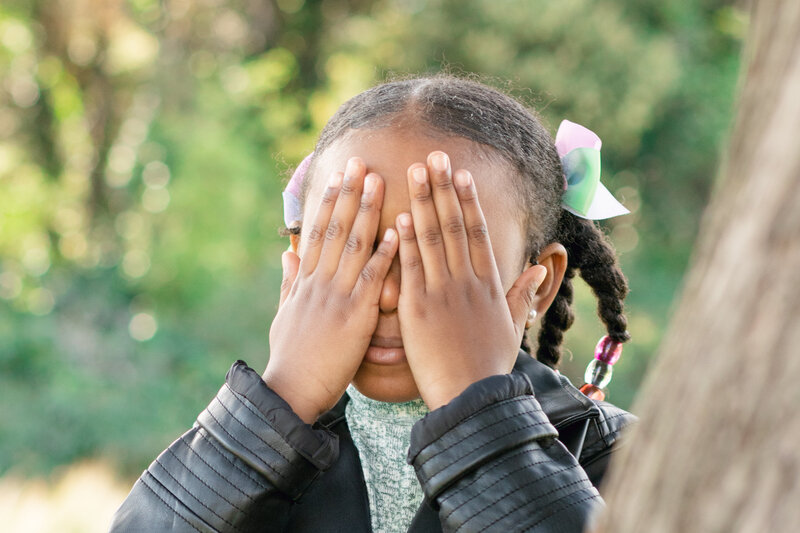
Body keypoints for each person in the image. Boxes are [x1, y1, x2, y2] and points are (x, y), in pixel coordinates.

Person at [109, 76, 637, 533]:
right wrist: (283, 395)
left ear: (538, 285)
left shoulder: (627, 456)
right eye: (351, 249)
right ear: (298, 263)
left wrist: (478, 409)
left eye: (437, 260)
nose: (386, 294)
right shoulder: (249, 449)